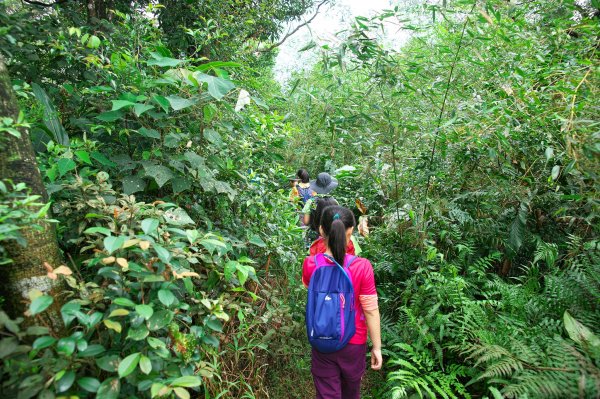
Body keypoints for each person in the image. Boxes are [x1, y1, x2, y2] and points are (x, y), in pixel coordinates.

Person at [302, 206, 382, 399]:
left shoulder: (310, 265)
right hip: (354, 342)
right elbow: (370, 310)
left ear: (321, 230)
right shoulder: (362, 267)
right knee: (351, 393)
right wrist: (377, 347)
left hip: (322, 340)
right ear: (351, 231)